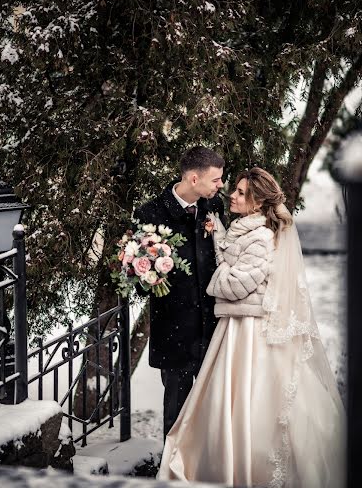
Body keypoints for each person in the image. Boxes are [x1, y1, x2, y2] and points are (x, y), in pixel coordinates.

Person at [158, 167, 345, 487]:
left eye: (242, 193)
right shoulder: (245, 228)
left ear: (258, 203)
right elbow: (233, 261)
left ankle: (247, 464)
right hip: (236, 325)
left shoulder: (260, 236)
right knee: (232, 402)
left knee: (251, 399)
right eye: (236, 189)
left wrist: (212, 281)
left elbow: (237, 283)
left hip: (249, 330)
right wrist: (218, 235)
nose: (232, 194)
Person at [134, 146, 225, 439]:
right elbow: (139, 281)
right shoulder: (150, 213)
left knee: (216, 409)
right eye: (216, 180)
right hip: (175, 333)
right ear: (194, 179)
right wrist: (146, 273)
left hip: (215, 329)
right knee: (176, 411)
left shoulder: (215, 207)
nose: (221, 185)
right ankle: (172, 475)